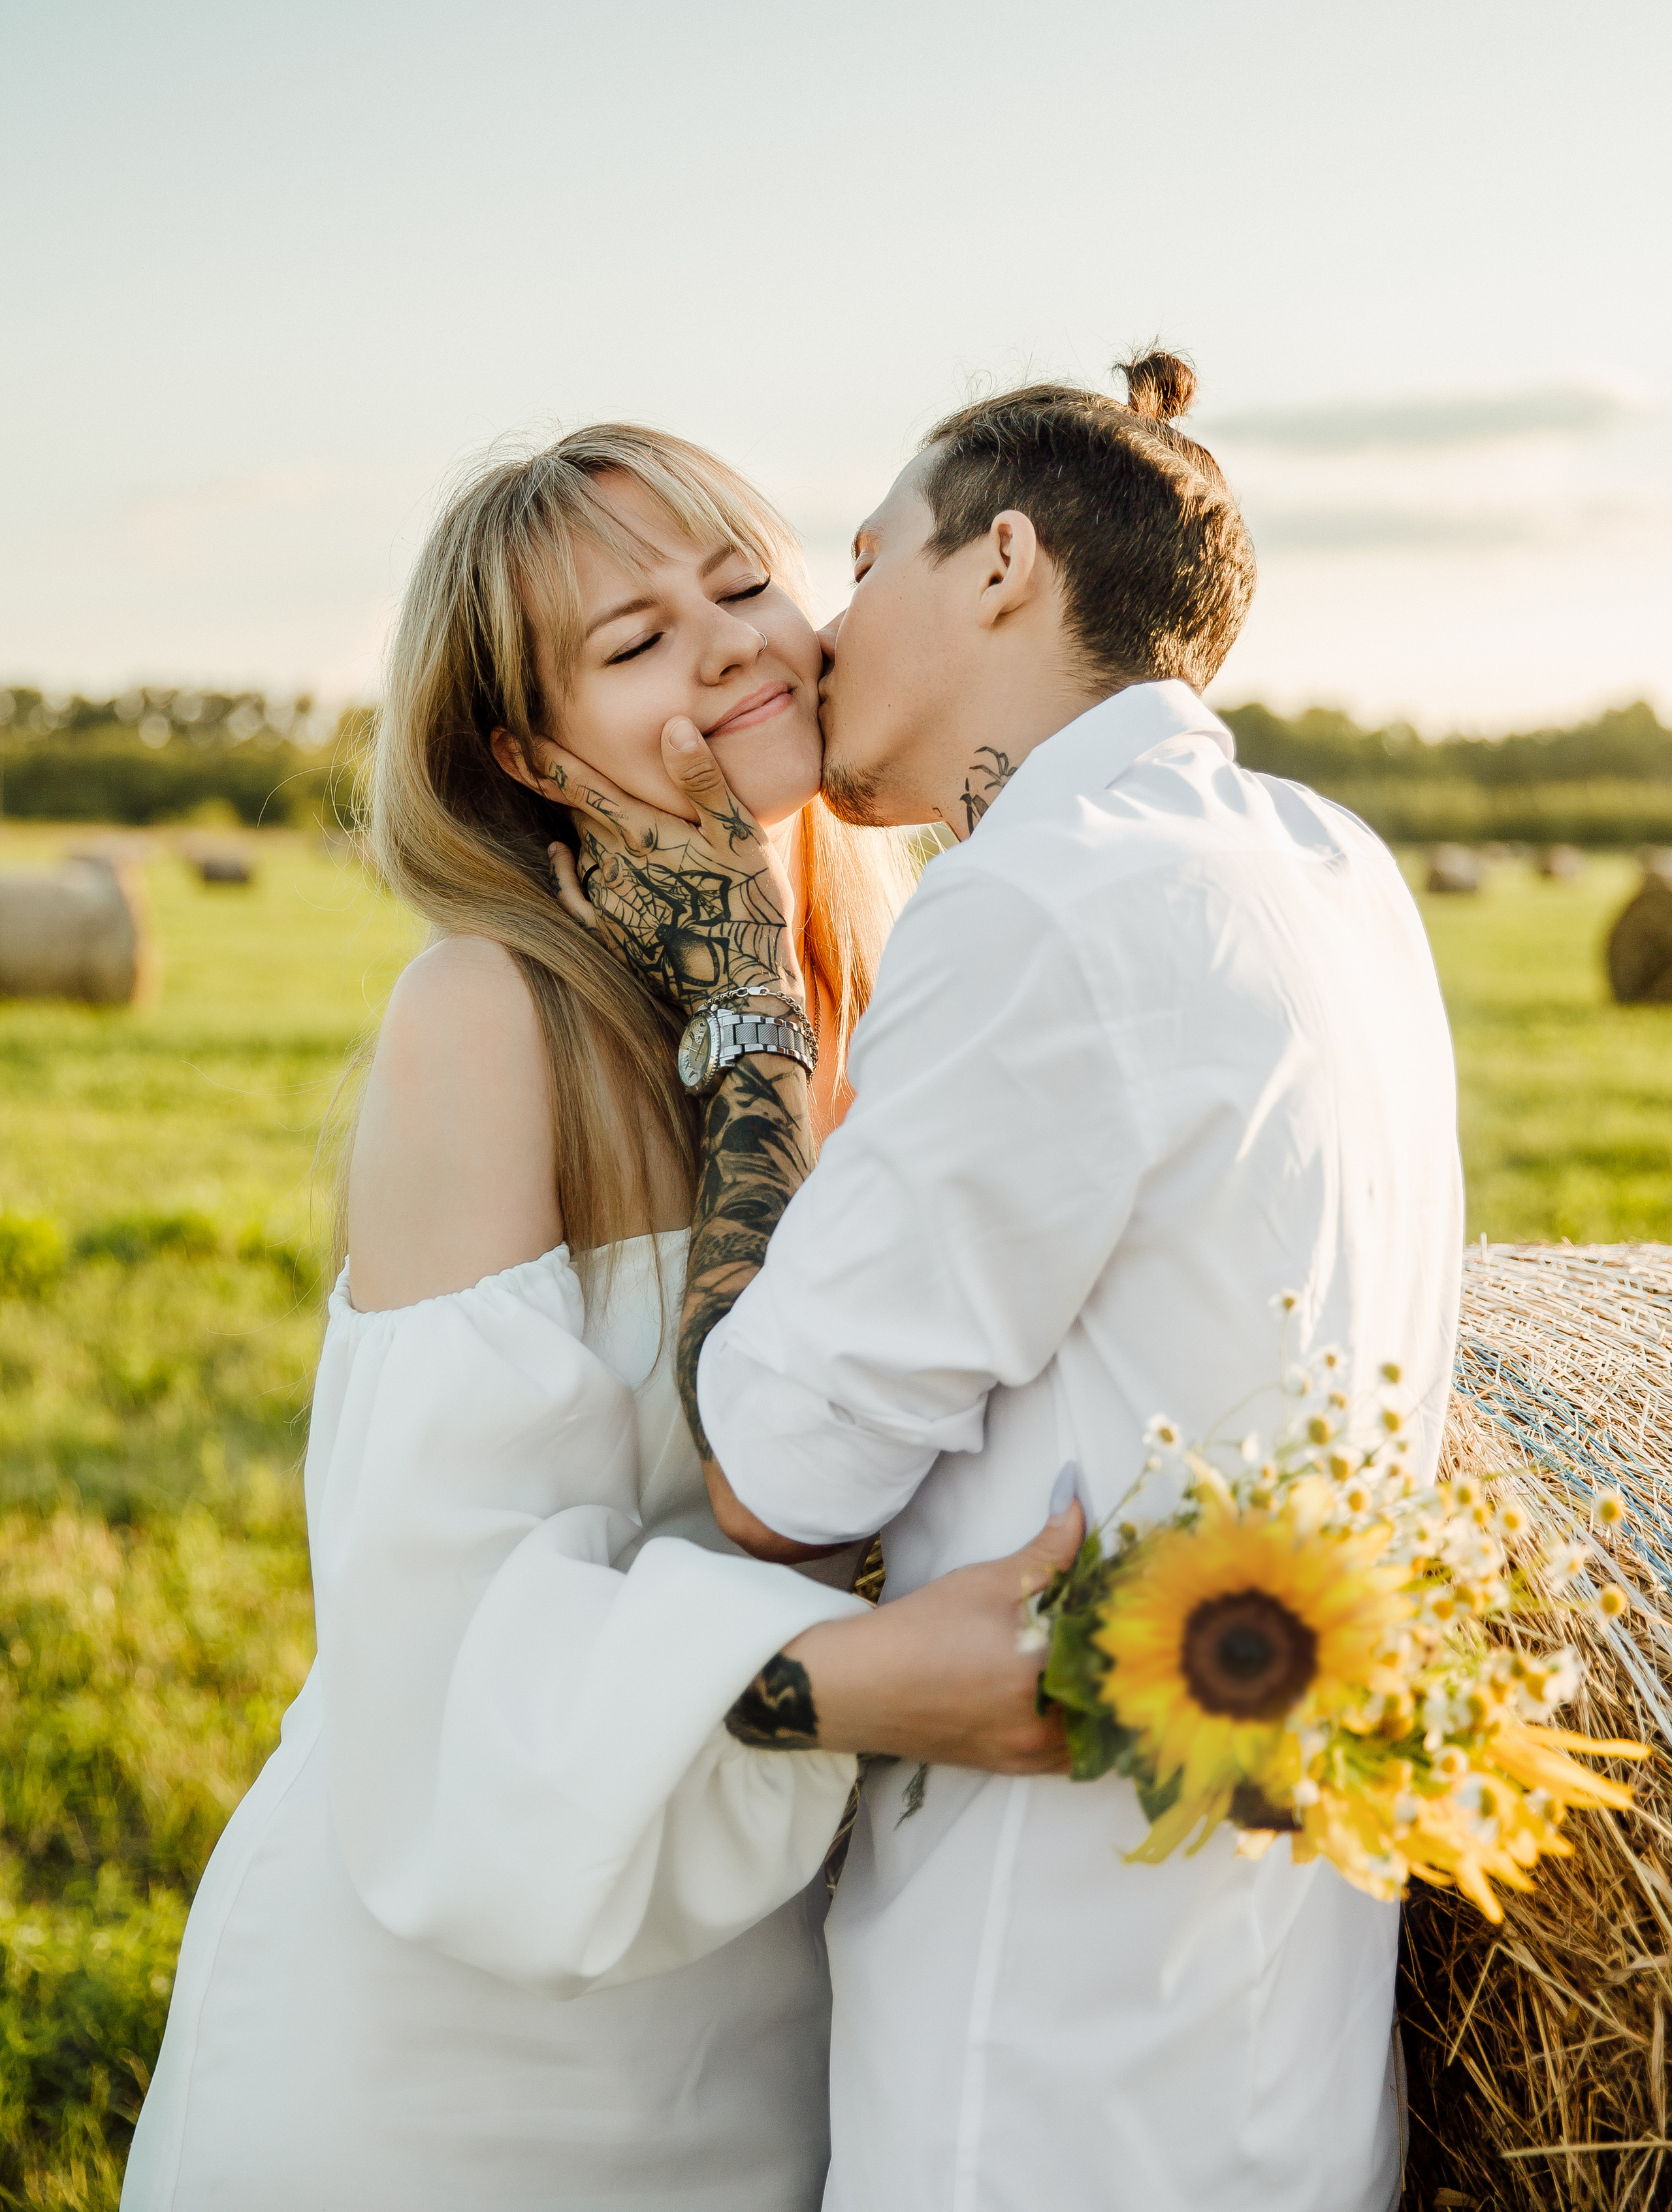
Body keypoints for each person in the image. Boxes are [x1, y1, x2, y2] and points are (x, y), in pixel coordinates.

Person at [122, 425, 1082, 2212]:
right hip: (444, 2065)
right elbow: (446, 1651)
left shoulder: (911, 997)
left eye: (741, 585)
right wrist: (881, 1682)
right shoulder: (490, 1016)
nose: (724, 647)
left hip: (775, 2035)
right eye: (632, 643)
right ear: (527, 755)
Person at [546, 356, 1465, 2212]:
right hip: (1279, 1996)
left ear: (1001, 564)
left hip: (1043, 2042)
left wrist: (746, 1017)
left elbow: (778, 1472)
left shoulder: (1042, 891)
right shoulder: (1332, 866)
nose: (819, 635)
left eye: (864, 561)